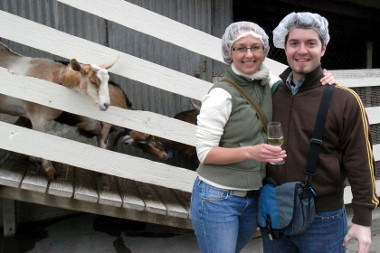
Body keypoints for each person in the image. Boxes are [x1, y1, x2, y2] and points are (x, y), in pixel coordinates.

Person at [190, 21, 333, 253]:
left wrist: (322, 76)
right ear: (229, 52)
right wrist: (251, 152)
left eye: (255, 47)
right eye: (240, 48)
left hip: (253, 197)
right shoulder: (220, 95)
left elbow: (299, 82)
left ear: (264, 51)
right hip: (217, 198)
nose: (249, 54)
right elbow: (205, 153)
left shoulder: (269, 81)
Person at [261, 12, 379, 253]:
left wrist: (363, 218)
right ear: (285, 46)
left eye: (310, 43)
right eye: (294, 43)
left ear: (323, 49)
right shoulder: (269, 94)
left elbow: (360, 161)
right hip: (274, 211)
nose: (301, 50)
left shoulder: (343, 100)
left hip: (322, 219)